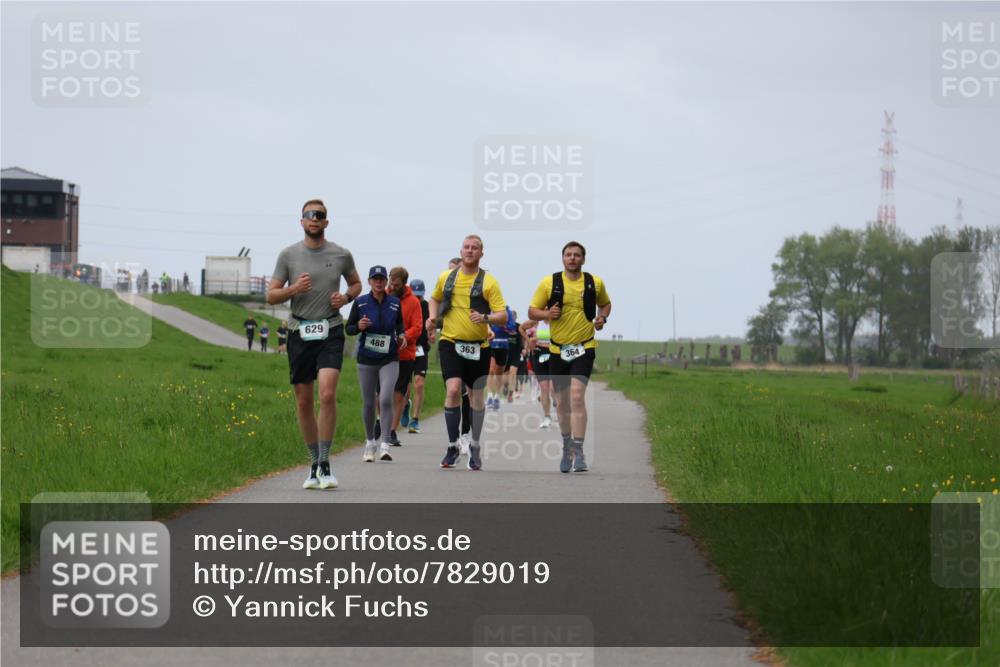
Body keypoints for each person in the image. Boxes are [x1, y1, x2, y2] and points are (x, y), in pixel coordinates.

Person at [267, 198, 361, 490]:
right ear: (302, 221)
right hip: (299, 331)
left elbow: (356, 284)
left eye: (319, 215)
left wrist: (346, 298)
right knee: (304, 400)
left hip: (331, 329)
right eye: (309, 215)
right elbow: (271, 295)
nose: (314, 219)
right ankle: (312, 464)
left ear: (326, 222)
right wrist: (294, 289)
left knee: (328, 394)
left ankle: (326, 462)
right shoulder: (289, 255)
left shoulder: (342, 254)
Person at [528, 241, 611, 473]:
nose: (572, 258)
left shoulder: (595, 283)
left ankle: (579, 449)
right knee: (562, 402)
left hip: (584, 347)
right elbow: (532, 311)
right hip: (557, 350)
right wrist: (546, 313)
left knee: (576, 397)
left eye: (576, 255)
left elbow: (605, 304)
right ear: (562, 258)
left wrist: (602, 319)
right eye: (568, 255)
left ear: (583, 259)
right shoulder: (549, 282)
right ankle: (566, 446)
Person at [427, 236, 507, 471]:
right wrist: (432, 317)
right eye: (466, 247)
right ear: (460, 251)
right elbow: (434, 298)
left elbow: (502, 315)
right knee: (453, 390)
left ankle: (474, 444)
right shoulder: (447, 277)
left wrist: (485, 318)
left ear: (482, 253)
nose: (470, 251)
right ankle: (453, 446)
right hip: (450, 342)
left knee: (476, 397)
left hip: (478, 346)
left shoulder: (489, 282)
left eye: (475, 248)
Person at [345, 265, 406, 463]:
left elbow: (399, 325)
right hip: (367, 358)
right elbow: (349, 329)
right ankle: (370, 442)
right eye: (375, 279)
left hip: (389, 358)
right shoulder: (361, 303)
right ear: (370, 281)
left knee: (386, 398)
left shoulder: (395, 303)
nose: (379, 282)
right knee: (369, 402)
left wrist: (402, 336)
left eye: (382, 279)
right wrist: (358, 326)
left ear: (386, 281)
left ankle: (385, 444)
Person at [385, 266, 422, 447]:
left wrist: (403, 337)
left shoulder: (413, 302)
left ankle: (391, 431)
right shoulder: (383, 296)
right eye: (391, 282)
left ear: (403, 284)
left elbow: (417, 327)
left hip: (405, 354)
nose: (392, 286)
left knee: (398, 394)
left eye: (396, 284)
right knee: (381, 394)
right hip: (383, 352)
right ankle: (380, 422)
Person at [521, 318, 556, 430]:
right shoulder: (537, 320)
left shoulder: (557, 319)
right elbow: (521, 328)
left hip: (555, 353)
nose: (546, 308)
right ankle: (547, 417)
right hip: (539, 353)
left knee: (553, 387)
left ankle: (556, 404)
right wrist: (529, 340)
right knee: (544, 388)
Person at [406, 278, 430, 434]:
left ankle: (414, 420)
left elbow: (431, 324)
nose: (417, 298)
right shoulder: (404, 303)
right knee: (404, 387)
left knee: (419, 383)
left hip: (421, 349)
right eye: (415, 295)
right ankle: (404, 406)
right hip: (406, 348)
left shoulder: (427, 306)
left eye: (420, 296)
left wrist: (432, 333)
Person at [486, 307, 516, 410]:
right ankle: (489, 396)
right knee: (490, 371)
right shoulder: (487, 309)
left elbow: (512, 328)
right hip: (489, 344)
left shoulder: (506, 311)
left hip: (503, 345)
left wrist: (502, 325)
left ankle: (497, 397)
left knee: (498, 373)